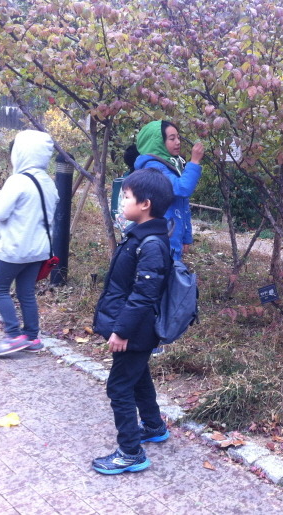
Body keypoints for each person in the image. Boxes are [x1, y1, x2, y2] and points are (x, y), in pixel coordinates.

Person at [91, 168, 175, 474]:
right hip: (137, 328)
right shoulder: (141, 235)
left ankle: (130, 453)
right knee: (137, 376)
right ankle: (153, 426)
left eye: (126, 197)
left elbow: (143, 295)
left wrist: (121, 331)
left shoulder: (151, 243)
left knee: (118, 387)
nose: (122, 202)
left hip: (136, 329)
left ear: (145, 204)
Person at [0, 130, 59, 357]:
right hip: (39, 250)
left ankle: (12, 335)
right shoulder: (48, 182)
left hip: (15, 249)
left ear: (20, 153)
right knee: (26, 292)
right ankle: (32, 337)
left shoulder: (17, 180)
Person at [133, 120, 204, 260]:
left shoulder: (170, 164)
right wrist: (194, 161)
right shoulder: (153, 167)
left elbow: (182, 204)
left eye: (178, 137)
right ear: (158, 142)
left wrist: (186, 237)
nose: (178, 142)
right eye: (172, 138)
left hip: (172, 237)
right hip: (160, 240)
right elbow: (182, 189)